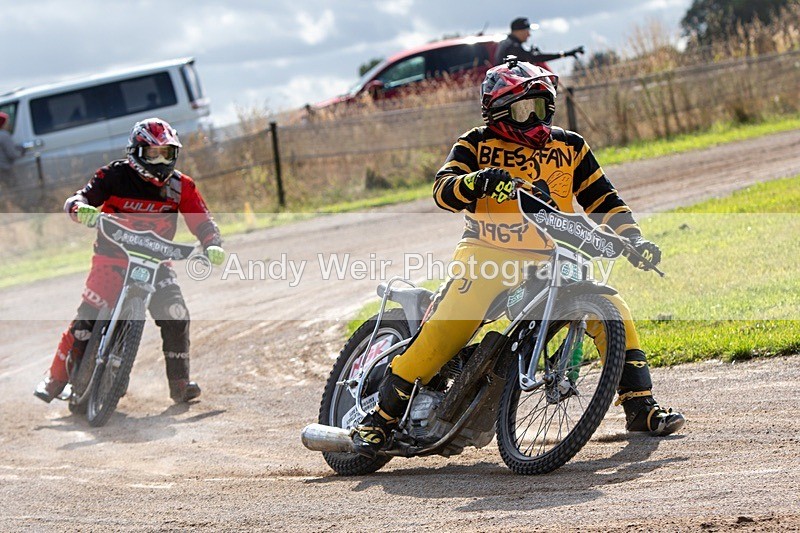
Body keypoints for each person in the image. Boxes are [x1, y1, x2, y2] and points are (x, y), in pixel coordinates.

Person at [352, 58, 685, 459]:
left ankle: (640, 407)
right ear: (496, 112)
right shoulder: (475, 143)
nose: (535, 119)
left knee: (613, 310)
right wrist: (475, 181)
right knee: (448, 331)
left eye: (541, 107)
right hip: (486, 255)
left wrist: (633, 238)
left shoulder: (571, 146)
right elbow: (443, 190)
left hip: (551, 255)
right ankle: (379, 419)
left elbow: (604, 200)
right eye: (524, 110)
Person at [34, 118, 226, 404]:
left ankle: (180, 383)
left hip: (156, 263)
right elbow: (79, 198)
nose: (160, 162)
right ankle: (55, 378)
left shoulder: (181, 186)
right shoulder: (113, 175)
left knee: (176, 314)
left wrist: (212, 244)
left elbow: (203, 220)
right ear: (136, 152)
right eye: (153, 154)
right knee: (86, 321)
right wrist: (80, 209)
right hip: (111, 259)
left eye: (167, 154)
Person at [493, 17, 584, 66]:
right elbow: (535, 58)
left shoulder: (507, 43)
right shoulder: (513, 46)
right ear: (518, 31)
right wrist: (564, 54)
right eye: (527, 31)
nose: (529, 35)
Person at [0, 111, 24, 188]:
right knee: (14, 188)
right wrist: (21, 152)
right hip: (4, 168)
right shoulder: (4, 135)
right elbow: (12, 154)